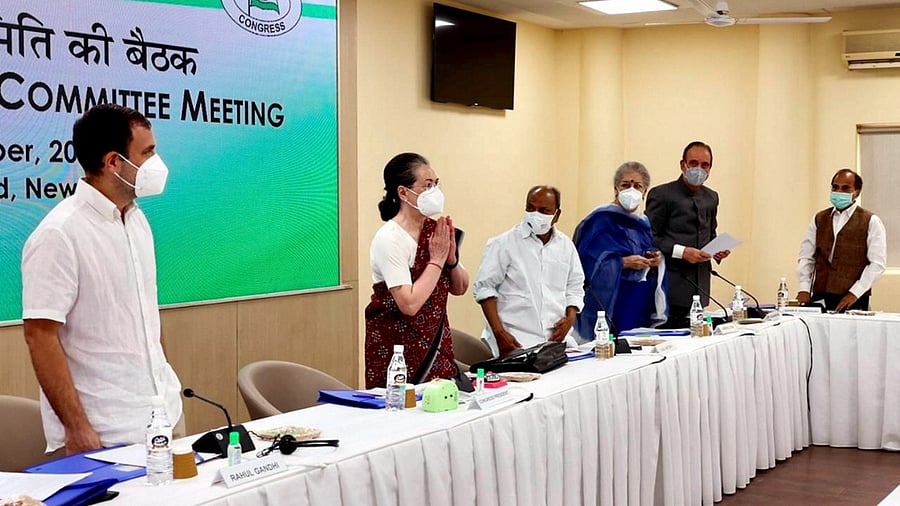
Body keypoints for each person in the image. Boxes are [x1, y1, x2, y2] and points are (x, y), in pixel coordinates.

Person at [21, 104, 182, 455]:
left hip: (163, 416)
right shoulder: (59, 234)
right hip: (107, 432)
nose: (157, 162)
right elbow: (39, 336)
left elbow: (145, 314)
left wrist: (168, 387)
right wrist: (76, 428)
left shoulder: (137, 220)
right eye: (148, 152)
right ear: (113, 162)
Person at [365, 152, 469, 388]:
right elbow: (409, 304)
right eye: (427, 185)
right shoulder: (389, 239)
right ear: (403, 192)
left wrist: (450, 259)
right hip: (397, 352)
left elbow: (461, 287)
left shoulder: (436, 231)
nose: (435, 192)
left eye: (436, 185)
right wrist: (437, 260)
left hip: (437, 346)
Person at [473, 185, 585, 357]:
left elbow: (575, 285)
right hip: (515, 343)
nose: (535, 214)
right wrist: (499, 333)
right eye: (530, 208)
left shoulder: (566, 246)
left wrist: (570, 318)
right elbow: (484, 288)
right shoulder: (504, 244)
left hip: (556, 344)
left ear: (557, 215)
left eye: (544, 210)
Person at [574, 162, 667, 337]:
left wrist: (655, 259)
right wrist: (622, 263)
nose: (631, 189)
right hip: (610, 298)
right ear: (616, 189)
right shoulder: (599, 220)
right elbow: (584, 261)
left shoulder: (643, 222)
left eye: (637, 186)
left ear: (644, 192)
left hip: (638, 298)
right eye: (626, 185)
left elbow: (646, 248)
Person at [645, 141, 730, 325]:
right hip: (670, 287)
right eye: (693, 163)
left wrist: (717, 250)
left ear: (710, 168)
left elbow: (710, 233)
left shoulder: (711, 197)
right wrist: (682, 252)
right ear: (683, 164)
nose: (699, 169)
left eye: (704, 165)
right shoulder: (662, 194)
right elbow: (649, 237)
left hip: (701, 287)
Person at [796, 169, 886, 312]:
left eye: (845, 188)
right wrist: (804, 289)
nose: (839, 192)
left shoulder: (871, 221)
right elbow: (806, 257)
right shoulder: (819, 219)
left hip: (854, 299)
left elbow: (877, 264)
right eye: (835, 187)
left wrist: (855, 293)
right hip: (820, 296)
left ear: (857, 191)